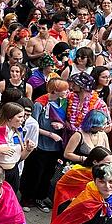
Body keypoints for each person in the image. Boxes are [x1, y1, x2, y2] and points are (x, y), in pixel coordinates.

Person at [20, 78, 69, 212]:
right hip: (40, 145)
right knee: (34, 173)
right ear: (55, 91)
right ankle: (27, 198)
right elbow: (33, 125)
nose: (67, 92)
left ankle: (40, 198)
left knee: (48, 174)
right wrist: (50, 134)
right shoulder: (40, 103)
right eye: (64, 90)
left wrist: (62, 126)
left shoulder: (62, 103)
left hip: (55, 147)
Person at [51, 146, 112, 218]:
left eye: (111, 163)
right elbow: (61, 186)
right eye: (107, 163)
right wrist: (72, 199)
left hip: (91, 210)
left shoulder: (106, 175)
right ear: (95, 162)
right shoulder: (77, 171)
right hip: (71, 207)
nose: (110, 166)